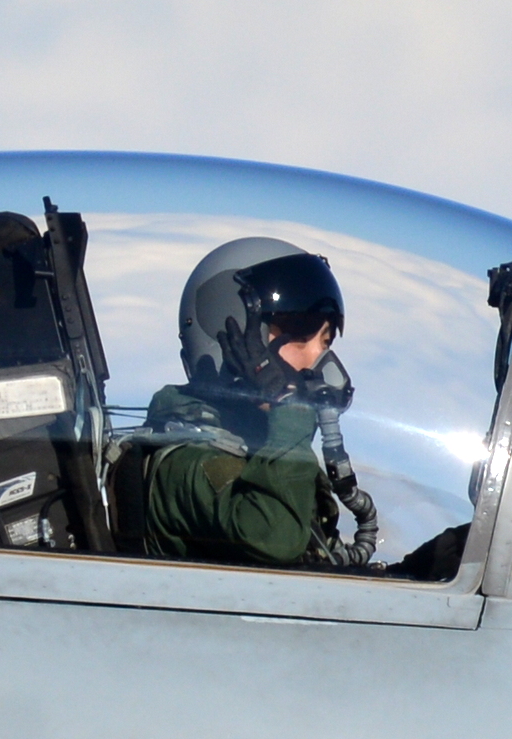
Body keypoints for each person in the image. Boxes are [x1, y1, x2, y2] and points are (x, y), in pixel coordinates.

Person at [109, 237, 378, 568]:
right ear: (234, 340)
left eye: (325, 340)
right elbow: (275, 540)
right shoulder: (188, 464)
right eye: (298, 334)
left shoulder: (261, 451)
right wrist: (289, 408)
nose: (318, 360)